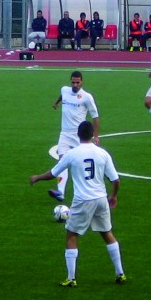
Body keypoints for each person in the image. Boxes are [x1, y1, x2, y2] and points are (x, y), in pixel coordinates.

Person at [29, 120, 125, 287]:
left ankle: (71, 278)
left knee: (72, 235)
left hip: (83, 200)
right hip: (101, 199)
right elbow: (115, 180)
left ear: (78, 135)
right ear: (92, 134)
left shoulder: (72, 154)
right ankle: (120, 273)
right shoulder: (103, 153)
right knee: (107, 233)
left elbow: (53, 173)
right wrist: (114, 196)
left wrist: (37, 177)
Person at [49, 70, 100, 203]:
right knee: (62, 162)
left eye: (77, 82)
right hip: (64, 134)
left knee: (84, 163)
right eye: (73, 82)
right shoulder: (65, 90)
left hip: (79, 136)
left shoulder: (87, 97)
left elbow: (95, 116)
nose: (75, 85)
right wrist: (56, 102)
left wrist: (96, 135)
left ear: (82, 82)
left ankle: (94, 189)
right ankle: (60, 191)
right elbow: (62, 95)